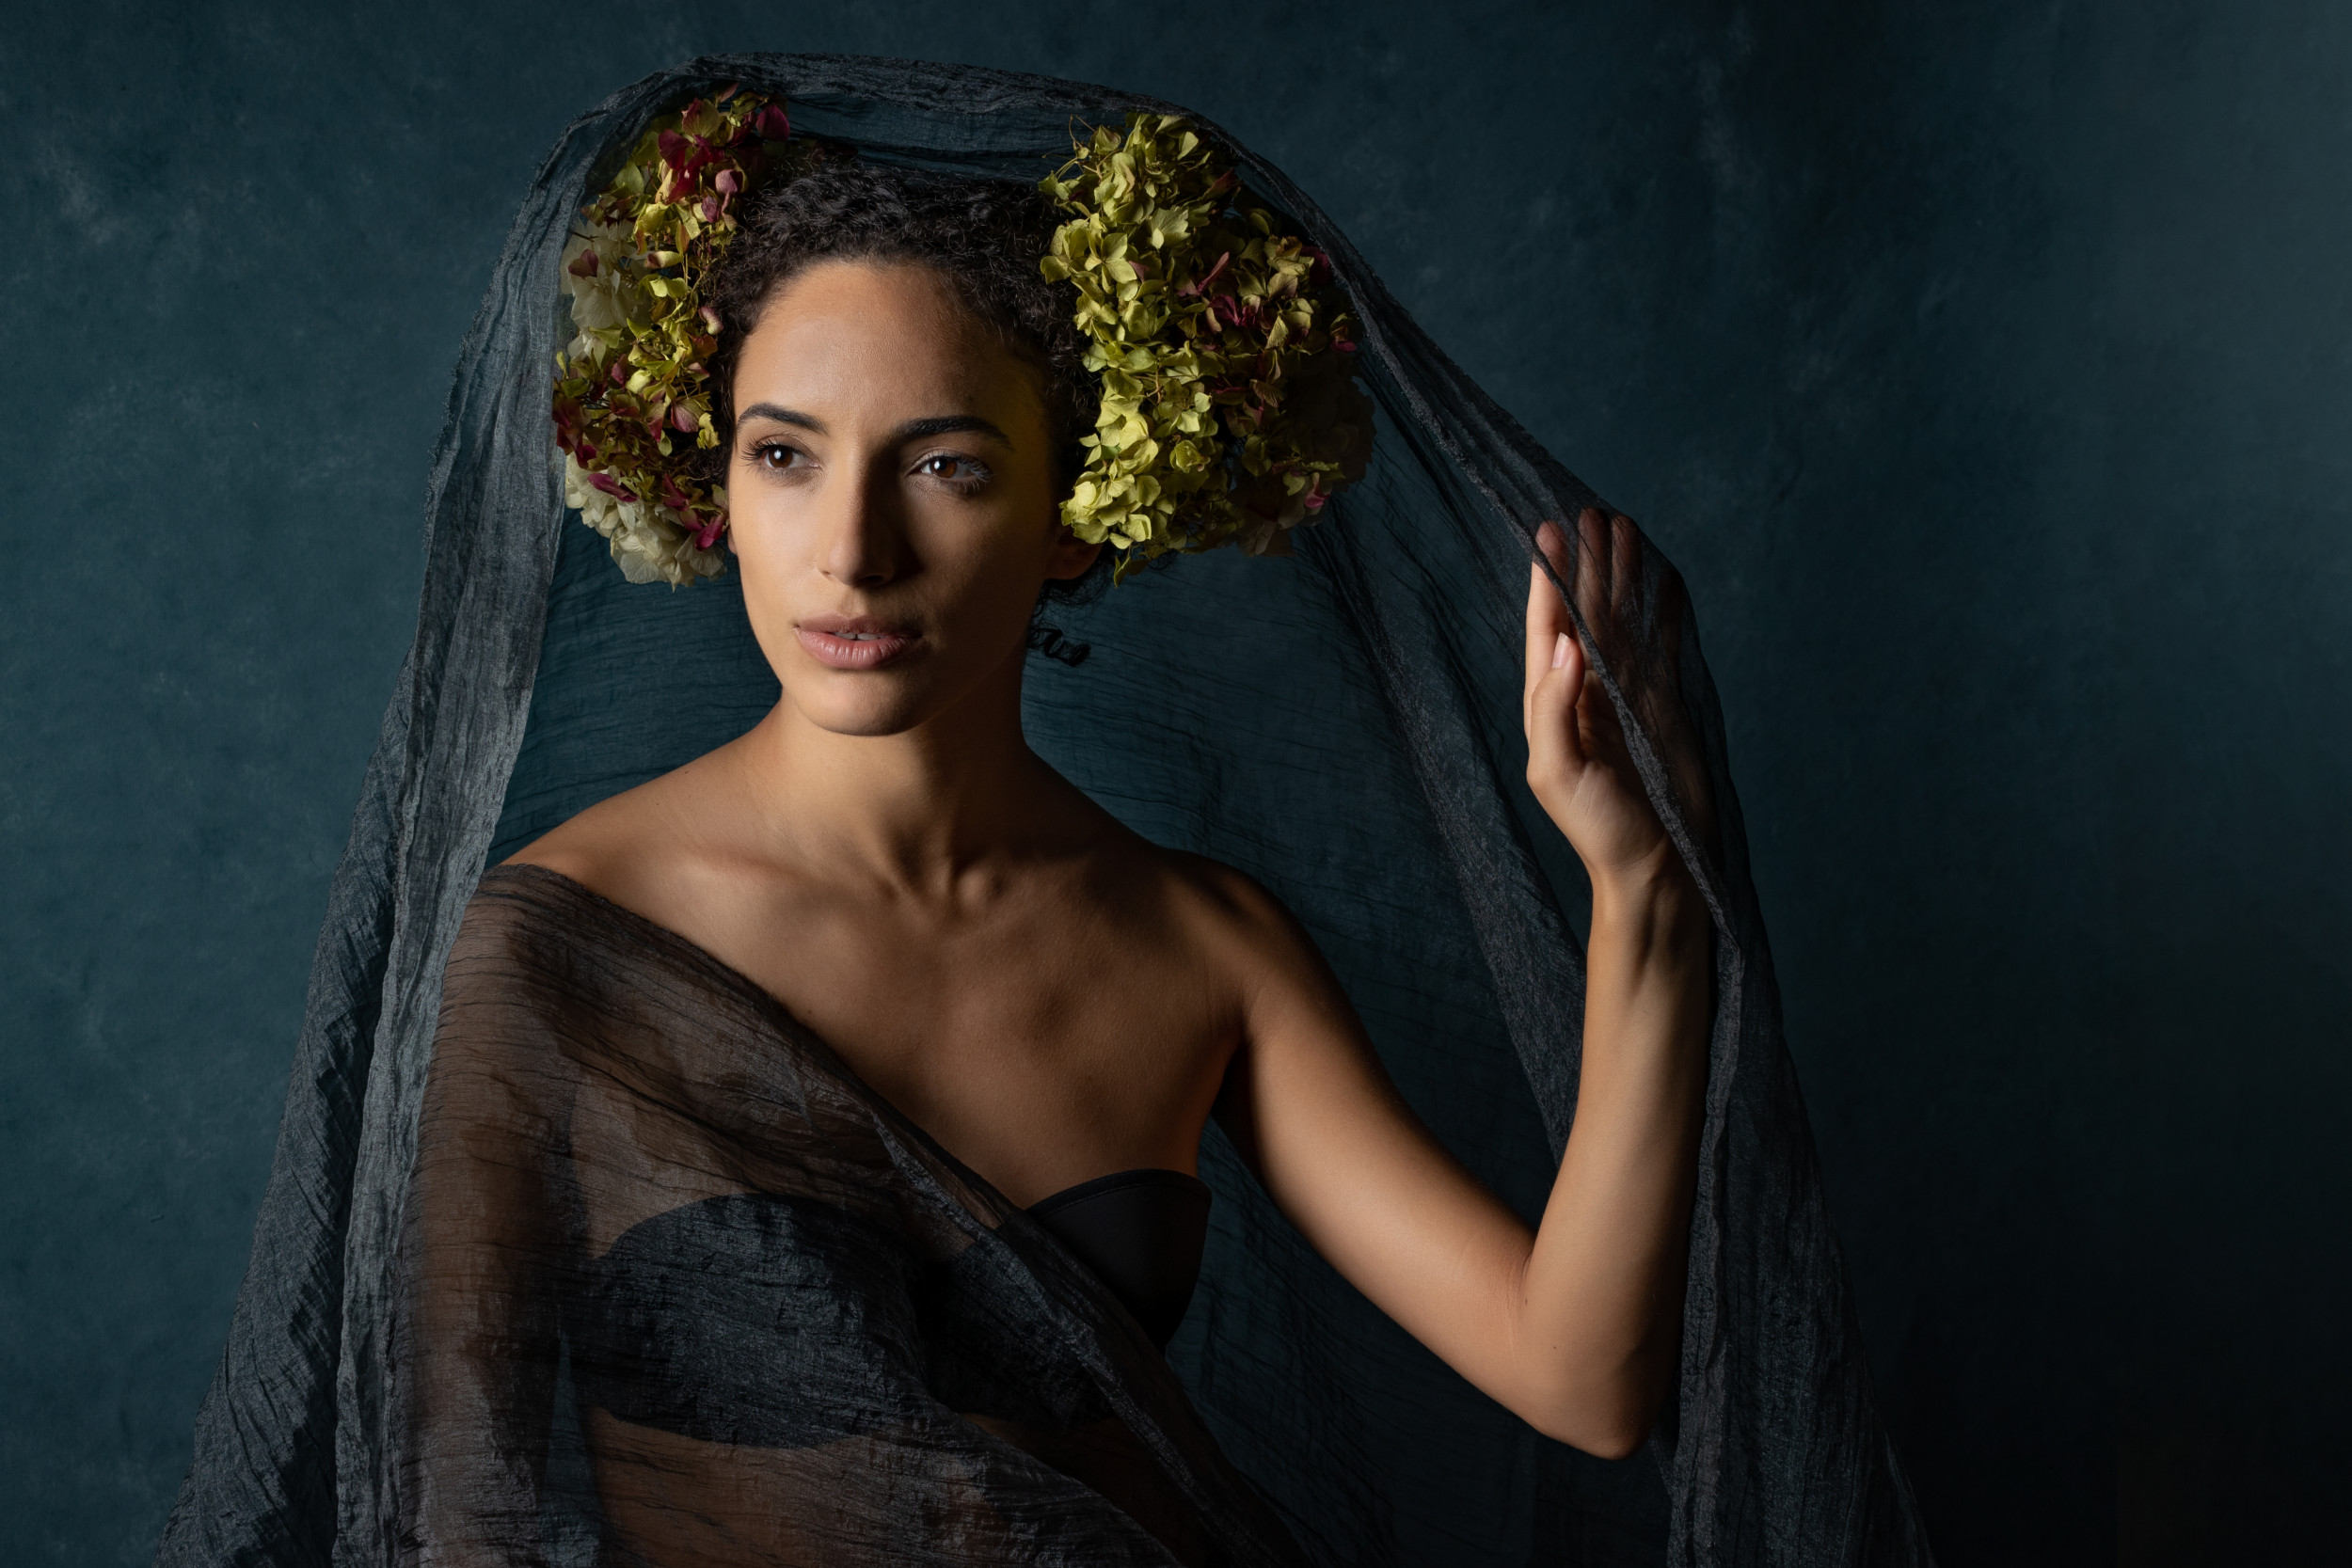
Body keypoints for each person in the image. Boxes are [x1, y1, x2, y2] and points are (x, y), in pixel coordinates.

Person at [160, 58, 1931, 1568]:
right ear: (711, 486)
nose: (852, 550)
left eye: (945, 465)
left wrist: (1642, 889)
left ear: (1079, 513)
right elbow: (448, 1516)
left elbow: (1583, 1375)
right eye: (784, 454)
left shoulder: (1198, 945)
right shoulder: (559, 953)